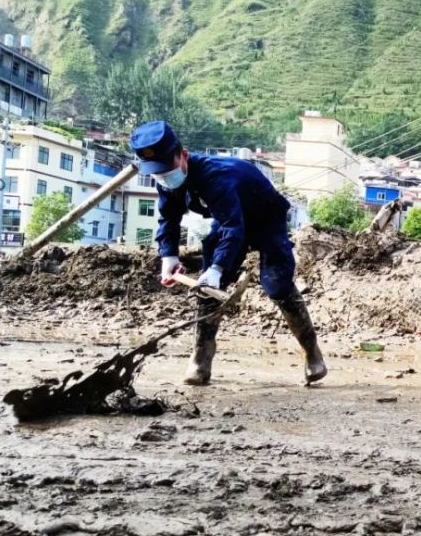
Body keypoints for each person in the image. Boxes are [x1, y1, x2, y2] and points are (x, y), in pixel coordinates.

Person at [130, 120, 326, 385]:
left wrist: (217, 268)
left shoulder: (216, 176)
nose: (165, 177)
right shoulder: (167, 181)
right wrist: (169, 256)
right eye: (158, 172)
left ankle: (312, 352)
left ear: (184, 155)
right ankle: (201, 358)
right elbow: (168, 219)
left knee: (277, 284)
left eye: (168, 169)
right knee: (207, 289)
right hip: (227, 219)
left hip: (264, 218)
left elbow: (234, 228)